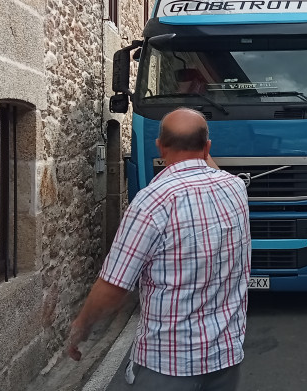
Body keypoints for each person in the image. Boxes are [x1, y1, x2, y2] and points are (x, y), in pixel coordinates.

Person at [67, 108, 251, 390]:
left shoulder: (151, 203)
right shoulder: (235, 189)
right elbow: (208, 166)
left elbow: (114, 286)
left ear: (159, 146)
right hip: (225, 357)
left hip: (169, 363)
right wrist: (201, 148)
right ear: (208, 147)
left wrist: (83, 327)